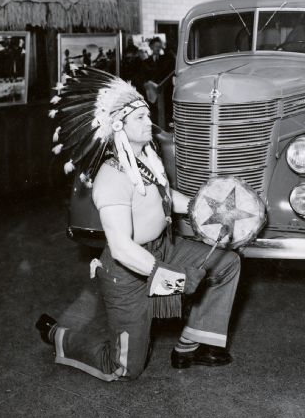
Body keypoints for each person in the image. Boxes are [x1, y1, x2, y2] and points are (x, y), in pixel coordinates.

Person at [37, 68, 240, 381]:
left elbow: (164, 194)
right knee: (124, 369)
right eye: (140, 119)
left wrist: (208, 209)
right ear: (119, 126)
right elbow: (120, 247)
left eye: (148, 115)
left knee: (226, 262)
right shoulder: (111, 177)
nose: (150, 123)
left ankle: (192, 343)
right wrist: (174, 278)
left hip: (164, 248)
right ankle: (60, 336)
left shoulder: (146, 157)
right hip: (126, 272)